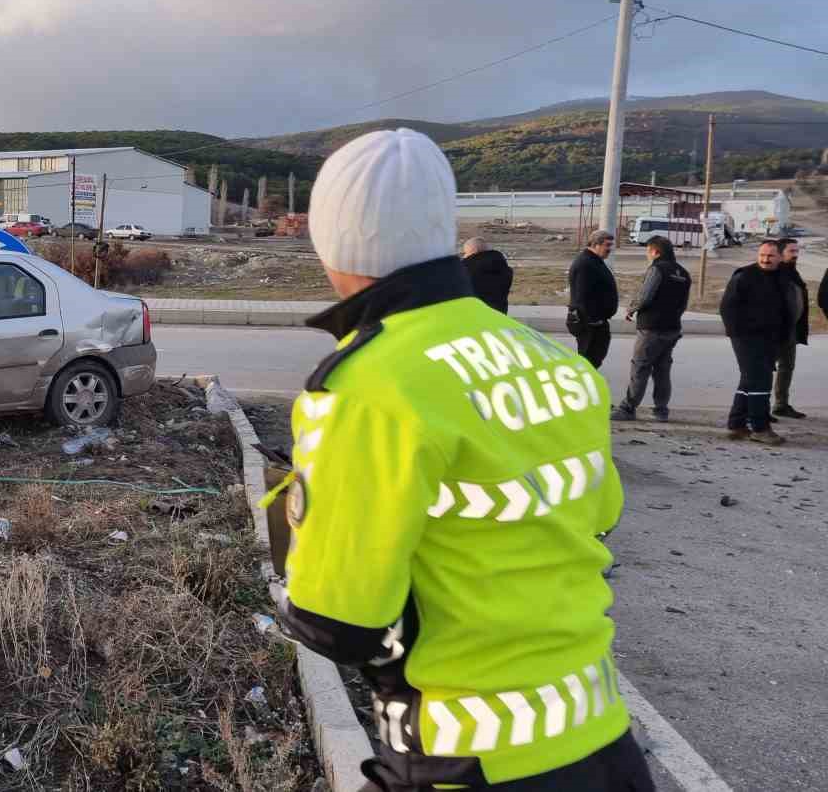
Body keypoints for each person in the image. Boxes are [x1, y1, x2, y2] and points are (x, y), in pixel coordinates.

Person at [265, 128, 651, 792]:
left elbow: (337, 620)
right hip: (604, 743)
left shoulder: (367, 387)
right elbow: (597, 515)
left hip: (467, 758)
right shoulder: (551, 358)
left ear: (329, 241)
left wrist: (291, 511)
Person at [611, 236, 691, 422]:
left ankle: (628, 408)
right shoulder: (684, 273)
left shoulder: (657, 269)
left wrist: (631, 308)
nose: (647, 255)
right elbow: (684, 304)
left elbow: (645, 296)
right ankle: (661, 410)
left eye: (648, 251)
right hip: (672, 328)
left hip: (651, 327)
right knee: (662, 371)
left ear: (655, 251)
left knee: (640, 367)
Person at [719, 240, 789, 445]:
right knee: (761, 380)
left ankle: (737, 424)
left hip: (770, 339)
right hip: (746, 338)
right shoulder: (744, 276)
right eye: (762, 255)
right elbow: (727, 308)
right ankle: (760, 428)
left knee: (749, 380)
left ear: (779, 257)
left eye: (770, 256)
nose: (765, 260)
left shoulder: (782, 276)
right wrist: (737, 334)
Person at [567, 231, 618, 368]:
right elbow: (582, 297)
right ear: (596, 244)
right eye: (607, 245)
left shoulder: (594, 261)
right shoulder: (585, 264)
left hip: (596, 323)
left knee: (593, 361)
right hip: (590, 325)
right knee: (587, 363)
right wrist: (594, 320)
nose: (609, 249)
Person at [773, 238, 809, 419]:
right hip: (775, 331)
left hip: (791, 331)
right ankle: (755, 408)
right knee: (762, 370)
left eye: (797, 251)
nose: (796, 255)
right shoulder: (775, 273)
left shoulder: (792, 272)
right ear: (780, 253)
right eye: (792, 251)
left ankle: (781, 404)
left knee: (787, 367)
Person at [461, 237, 513, 313]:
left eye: (466, 252)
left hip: (474, 315)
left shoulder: (466, 268)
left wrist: (465, 262)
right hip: (498, 315)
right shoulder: (504, 268)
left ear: (474, 251)